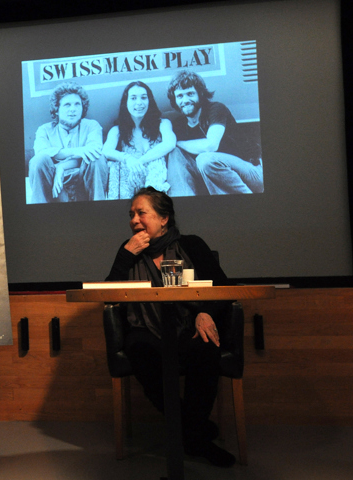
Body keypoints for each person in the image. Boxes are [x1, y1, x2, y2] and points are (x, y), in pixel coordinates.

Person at [105, 186, 236, 467]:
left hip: (188, 326)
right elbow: (109, 295)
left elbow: (223, 288)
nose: (134, 220)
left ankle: (190, 431)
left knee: (205, 349)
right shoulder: (128, 252)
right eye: (131, 215)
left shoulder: (191, 245)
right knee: (140, 351)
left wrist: (205, 312)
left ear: (164, 219)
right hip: (146, 330)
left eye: (142, 213)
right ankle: (195, 434)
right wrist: (125, 256)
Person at [166, 70, 262, 195]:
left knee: (205, 158)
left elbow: (211, 145)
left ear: (200, 94)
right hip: (212, 177)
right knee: (175, 153)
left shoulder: (216, 109)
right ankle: (183, 200)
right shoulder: (179, 124)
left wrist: (177, 143)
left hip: (250, 172)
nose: (185, 100)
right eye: (180, 96)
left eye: (190, 94)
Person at [28, 82, 107, 203]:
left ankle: (100, 211)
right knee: (38, 160)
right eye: (67, 105)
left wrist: (61, 166)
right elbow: (41, 153)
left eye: (77, 104)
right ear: (57, 110)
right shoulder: (44, 130)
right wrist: (78, 151)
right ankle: (40, 213)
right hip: (55, 189)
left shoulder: (92, 126)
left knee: (97, 158)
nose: (73, 109)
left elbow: (93, 151)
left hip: (84, 186)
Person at [102, 81, 175, 198]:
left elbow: (170, 143)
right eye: (133, 98)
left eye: (143, 98)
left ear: (149, 101)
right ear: (126, 103)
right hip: (128, 185)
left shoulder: (163, 123)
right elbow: (106, 151)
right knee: (115, 166)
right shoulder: (117, 130)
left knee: (155, 162)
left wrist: (140, 161)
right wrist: (128, 158)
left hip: (156, 184)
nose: (139, 103)